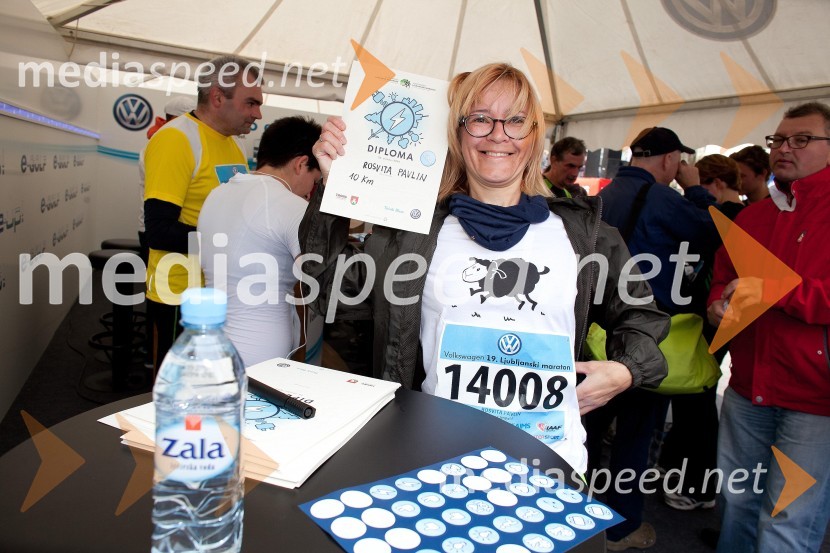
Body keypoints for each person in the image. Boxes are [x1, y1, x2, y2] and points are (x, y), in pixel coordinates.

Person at [301, 63, 669, 477]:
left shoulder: (585, 235)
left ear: (534, 136)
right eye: (480, 119)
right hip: (437, 460)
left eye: (515, 121)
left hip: (548, 464)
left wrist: (626, 369)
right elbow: (326, 283)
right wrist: (334, 188)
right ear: (458, 133)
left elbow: (641, 315)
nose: (498, 134)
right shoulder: (414, 236)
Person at [708, 101, 830, 553]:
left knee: (786, 522)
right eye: (778, 139)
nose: (784, 148)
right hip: (746, 389)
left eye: (801, 139)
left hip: (814, 399)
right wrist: (718, 305)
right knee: (737, 505)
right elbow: (722, 280)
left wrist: (775, 291)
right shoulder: (754, 215)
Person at [589, 127, 719, 549]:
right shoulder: (668, 200)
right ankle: (623, 528)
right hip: (648, 336)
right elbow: (713, 233)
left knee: (586, 428)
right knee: (636, 435)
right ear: (670, 160)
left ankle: (572, 512)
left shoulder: (599, 196)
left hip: (592, 330)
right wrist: (697, 190)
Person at [143, 54, 262, 371]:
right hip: (179, 295)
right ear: (218, 97)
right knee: (176, 392)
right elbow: (159, 231)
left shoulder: (233, 145)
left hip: (218, 293)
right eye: (251, 103)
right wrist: (228, 243)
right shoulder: (176, 139)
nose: (258, 114)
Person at [198, 116, 322, 367]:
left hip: (208, 342)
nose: (311, 190)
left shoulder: (216, 194)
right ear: (301, 164)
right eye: (315, 180)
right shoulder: (291, 206)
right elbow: (322, 276)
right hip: (260, 351)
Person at [138, 95, 197, 262]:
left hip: (168, 229)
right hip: (158, 230)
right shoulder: (162, 144)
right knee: (155, 280)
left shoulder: (171, 141)